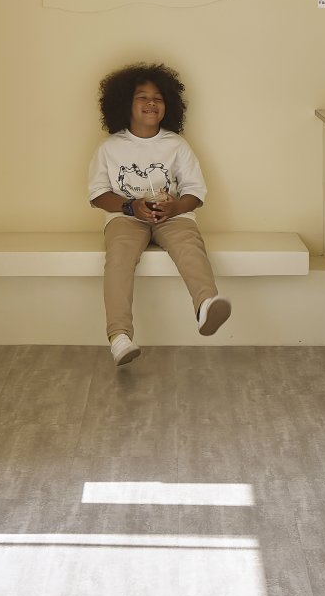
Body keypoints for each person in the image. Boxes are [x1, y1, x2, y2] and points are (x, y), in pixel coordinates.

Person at [87, 61, 231, 367]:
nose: (151, 102)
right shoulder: (109, 148)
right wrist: (131, 206)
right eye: (142, 97)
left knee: (189, 246)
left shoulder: (176, 145)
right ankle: (119, 337)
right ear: (124, 103)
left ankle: (206, 305)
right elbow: (98, 194)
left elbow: (195, 191)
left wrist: (176, 207)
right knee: (119, 258)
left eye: (158, 98)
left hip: (173, 216)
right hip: (125, 218)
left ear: (169, 105)